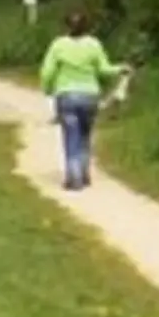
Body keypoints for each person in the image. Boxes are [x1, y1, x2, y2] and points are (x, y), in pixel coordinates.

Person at [38, 10, 131, 191]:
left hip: (66, 96)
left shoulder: (58, 45)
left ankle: (74, 177)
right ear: (87, 27)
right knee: (85, 134)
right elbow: (104, 69)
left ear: (66, 27)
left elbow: (47, 72)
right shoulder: (93, 45)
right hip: (89, 96)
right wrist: (121, 68)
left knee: (71, 135)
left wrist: (48, 90)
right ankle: (83, 171)